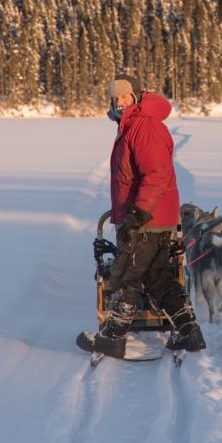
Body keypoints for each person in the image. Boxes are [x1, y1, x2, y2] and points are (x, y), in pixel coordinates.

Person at [76, 74, 205, 358]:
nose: (120, 102)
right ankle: (188, 330)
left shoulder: (143, 126)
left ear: (136, 95)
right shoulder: (133, 124)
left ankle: (113, 336)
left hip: (147, 217)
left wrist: (136, 215)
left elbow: (156, 175)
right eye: (115, 97)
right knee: (157, 276)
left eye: (125, 96)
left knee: (126, 275)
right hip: (153, 216)